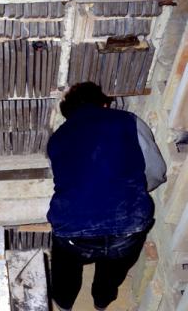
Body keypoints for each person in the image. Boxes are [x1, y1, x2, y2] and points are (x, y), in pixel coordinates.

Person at [47, 82, 167, 311]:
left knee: (66, 268)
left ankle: (64, 304)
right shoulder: (128, 121)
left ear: (68, 114)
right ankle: (101, 302)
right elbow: (156, 172)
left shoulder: (57, 139)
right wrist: (131, 190)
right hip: (128, 226)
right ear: (104, 103)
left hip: (74, 231)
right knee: (113, 269)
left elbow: (67, 179)